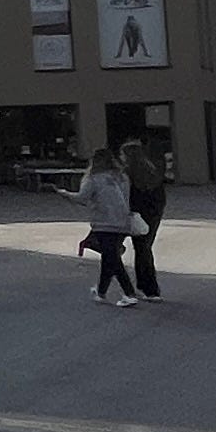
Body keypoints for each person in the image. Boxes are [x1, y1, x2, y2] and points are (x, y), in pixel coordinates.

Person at [76, 148, 142, 306]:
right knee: (109, 257)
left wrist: (64, 194)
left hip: (103, 223)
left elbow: (82, 198)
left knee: (112, 258)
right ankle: (101, 292)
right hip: (122, 221)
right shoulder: (122, 177)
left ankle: (129, 293)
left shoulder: (93, 178)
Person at [119, 131, 170, 300]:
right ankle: (148, 286)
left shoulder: (127, 173)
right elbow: (160, 195)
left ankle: (146, 287)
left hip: (136, 212)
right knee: (145, 246)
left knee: (138, 247)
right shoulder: (152, 171)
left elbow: (123, 194)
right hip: (154, 210)